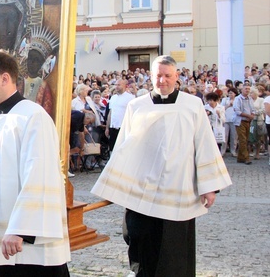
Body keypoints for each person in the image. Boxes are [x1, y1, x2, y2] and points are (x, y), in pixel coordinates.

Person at [91, 55, 232, 277]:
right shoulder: (136, 106)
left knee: (175, 250)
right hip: (144, 190)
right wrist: (118, 186)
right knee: (142, 243)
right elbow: (123, 148)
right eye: (158, 75)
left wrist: (209, 186)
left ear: (176, 77)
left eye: (168, 76)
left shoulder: (192, 105)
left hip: (180, 189)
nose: (162, 80)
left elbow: (204, 143)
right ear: (151, 76)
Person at [0, 50, 70, 277]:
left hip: (20, 243)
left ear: (4, 78)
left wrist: (21, 229)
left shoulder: (33, 117)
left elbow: (39, 175)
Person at [105, 78, 134, 152]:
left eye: (119, 85)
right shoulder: (113, 98)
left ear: (125, 86)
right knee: (112, 149)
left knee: (123, 150)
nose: (117, 87)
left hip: (123, 127)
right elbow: (110, 113)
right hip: (113, 127)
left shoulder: (130, 98)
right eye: (116, 85)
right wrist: (107, 128)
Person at [233, 84, 255, 164]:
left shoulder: (250, 99)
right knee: (242, 139)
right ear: (242, 90)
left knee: (246, 139)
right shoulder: (237, 99)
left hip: (248, 121)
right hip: (240, 121)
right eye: (246, 89)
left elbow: (253, 109)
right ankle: (246, 157)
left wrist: (252, 115)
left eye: (248, 89)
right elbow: (237, 111)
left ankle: (240, 157)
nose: (247, 90)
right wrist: (248, 115)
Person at [220, 87, 238, 156]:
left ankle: (233, 150)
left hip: (234, 120)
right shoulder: (225, 100)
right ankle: (222, 151)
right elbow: (221, 108)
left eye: (231, 93)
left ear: (235, 94)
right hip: (226, 119)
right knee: (225, 136)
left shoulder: (237, 100)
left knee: (234, 136)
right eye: (229, 93)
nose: (230, 94)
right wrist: (228, 105)